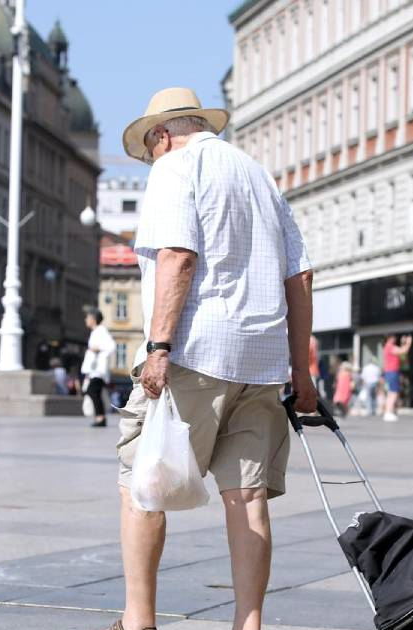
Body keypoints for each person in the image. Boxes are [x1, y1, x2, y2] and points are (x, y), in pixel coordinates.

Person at [110, 87, 314, 630]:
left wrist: (157, 348)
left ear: (162, 134)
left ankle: (138, 621)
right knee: (247, 499)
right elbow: (300, 275)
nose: (152, 156)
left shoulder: (175, 167)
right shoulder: (258, 174)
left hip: (195, 353)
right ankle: (248, 625)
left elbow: (177, 255)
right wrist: (302, 370)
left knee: (144, 483)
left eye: (149, 147)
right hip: (261, 361)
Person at [82, 309, 117, 428]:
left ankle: (101, 417)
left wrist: (98, 348)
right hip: (94, 370)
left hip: (99, 370)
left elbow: (112, 346)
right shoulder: (96, 331)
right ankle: (100, 417)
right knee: (94, 392)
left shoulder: (101, 330)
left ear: (93, 319)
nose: (86, 320)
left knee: (92, 391)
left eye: (87, 317)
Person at [381, 334, 412, 422]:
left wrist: (403, 343)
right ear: (390, 338)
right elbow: (403, 351)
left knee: (391, 393)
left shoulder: (388, 347)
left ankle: (388, 412)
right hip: (392, 372)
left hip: (390, 372)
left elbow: (401, 354)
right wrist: (409, 343)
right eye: (394, 337)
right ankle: (388, 412)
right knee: (393, 393)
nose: (395, 339)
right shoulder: (390, 346)